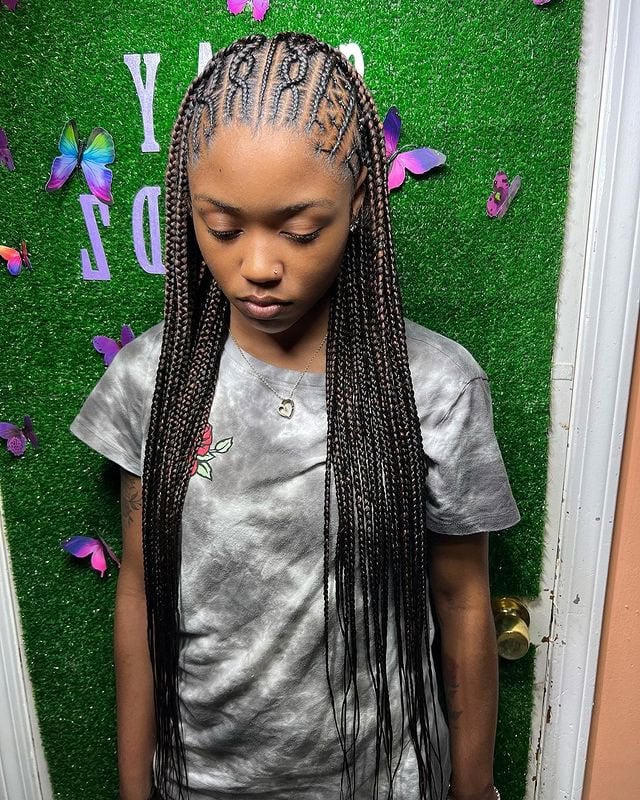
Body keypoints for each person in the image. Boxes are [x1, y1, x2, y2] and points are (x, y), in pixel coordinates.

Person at [69, 32, 520, 800]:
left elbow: (462, 600)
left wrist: (473, 792)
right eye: (222, 226)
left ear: (358, 208)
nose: (258, 265)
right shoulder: (153, 380)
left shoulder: (435, 387)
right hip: (202, 782)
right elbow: (140, 592)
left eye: (300, 230)